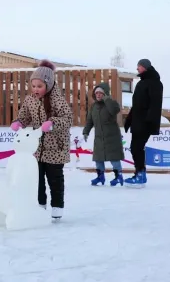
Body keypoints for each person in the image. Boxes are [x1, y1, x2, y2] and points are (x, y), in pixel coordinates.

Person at [10, 60, 72, 219]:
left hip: (56, 147)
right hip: (37, 147)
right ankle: (40, 205)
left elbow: (68, 119)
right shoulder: (30, 100)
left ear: (49, 85)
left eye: (39, 86)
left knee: (55, 179)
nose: (36, 89)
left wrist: (52, 123)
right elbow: (24, 115)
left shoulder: (57, 100)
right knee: (37, 179)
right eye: (33, 86)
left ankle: (57, 208)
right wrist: (19, 122)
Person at [124, 59, 163, 188]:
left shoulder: (154, 83)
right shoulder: (141, 83)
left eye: (139, 66)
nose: (137, 69)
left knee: (137, 148)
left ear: (145, 67)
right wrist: (129, 120)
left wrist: (149, 122)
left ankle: (141, 174)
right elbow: (136, 106)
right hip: (138, 122)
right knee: (135, 148)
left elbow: (155, 105)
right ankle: (139, 173)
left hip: (144, 123)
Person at [82, 83, 125, 186]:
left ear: (105, 94)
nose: (98, 95)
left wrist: (107, 99)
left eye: (100, 93)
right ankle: (100, 177)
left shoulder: (111, 103)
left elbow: (114, 110)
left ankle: (118, 176)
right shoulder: (93, 107)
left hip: (112, 137)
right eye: (96, 93)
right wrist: (86, 131)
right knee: (98, 158)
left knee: (114, 158)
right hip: (99, 137)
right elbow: (89, 121)